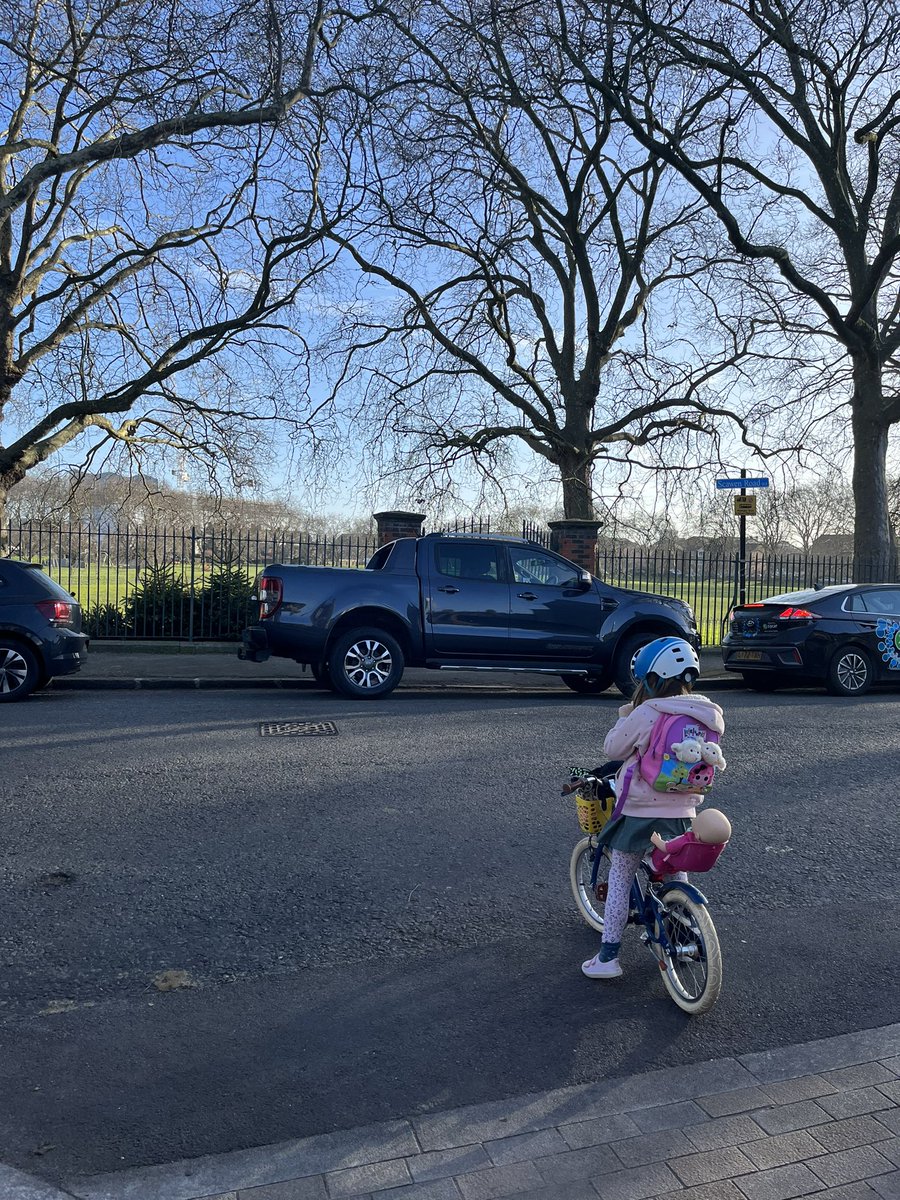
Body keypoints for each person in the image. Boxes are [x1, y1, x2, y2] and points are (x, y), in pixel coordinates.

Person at [581, 636, 725, 980]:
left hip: (641, 810)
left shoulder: (648, 712)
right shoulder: (708, 714)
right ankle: (688, 933)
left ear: (651, 679)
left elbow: (613, 748)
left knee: (620, 876)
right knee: (676, 869)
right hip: (684, 810)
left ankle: (608, 957)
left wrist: (625, 716)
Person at [649, 808, 732, 875]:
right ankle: (681, 880)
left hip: (672, 861)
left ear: (697, 835)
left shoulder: (686, 840)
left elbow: (666, 848)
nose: (694, 819)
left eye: (697, 820)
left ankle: (653, 865)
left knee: (660, 852)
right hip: (691, 862)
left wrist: (656, 840)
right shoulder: (713, 846)